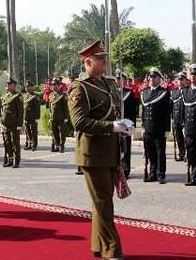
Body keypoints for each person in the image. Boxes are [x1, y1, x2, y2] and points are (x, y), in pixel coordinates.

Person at [68, 40, 127, 260]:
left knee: (101, 202)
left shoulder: (108, 83)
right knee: (103, 203)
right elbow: (79, 122)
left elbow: (113, 112)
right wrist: (110, 126)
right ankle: (112, 250)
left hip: (110, 150)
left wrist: (121, 126)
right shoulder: (79, 88)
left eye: (105, 60)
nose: (105, 64)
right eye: (100, 61)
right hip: (92, 154)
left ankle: (98, 246)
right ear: (87, 62)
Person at [141, 69, 170, 184]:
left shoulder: (163, 92)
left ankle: (160, 174)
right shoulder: (145, 92)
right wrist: (143, 125)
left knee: (160, 152)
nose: (152, 79)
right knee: (150, 152)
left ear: (159, 79)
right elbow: (144, 112)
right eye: (150, 77)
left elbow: (167, 112)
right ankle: (152, 173)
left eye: (154, 77)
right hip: (148, 127)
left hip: (159, 127)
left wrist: (167, 129)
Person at [1, 78, 24, 167]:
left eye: (9, 84)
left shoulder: (18, 96)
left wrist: (19, 124)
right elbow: (2, 110)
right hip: (5, 123)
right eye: (6, 84)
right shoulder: (5, 96)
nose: (7, 86)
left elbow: (20, 111)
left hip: (14, 124)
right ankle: (10, 159)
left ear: (13, 86)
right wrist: (1, 122)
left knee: (15, 143)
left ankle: (16, 161)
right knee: (7, 142)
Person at [120, 72, 138, 178]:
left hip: (126, 124)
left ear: (126, 81)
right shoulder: (112, 93)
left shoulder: (129, 93)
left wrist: (132, 126)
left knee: (126, 148)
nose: (119, 81)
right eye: (117, 79)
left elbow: (133, 112)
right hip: (114, 125)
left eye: (122, 79)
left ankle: (126, 170)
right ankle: (117, 170)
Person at [170, 72, 188, 162]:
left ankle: (187, 153)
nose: (180, 81)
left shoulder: (188, 91)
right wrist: (171, 118)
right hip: (176, 118)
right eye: (179, 79)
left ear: (185, 80)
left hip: (185, 118)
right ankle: (181, 153)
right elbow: (171, 106)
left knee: (186, 138)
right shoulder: (174, 92)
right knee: (178, 137)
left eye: (182, 79)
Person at [49, 78, 69, 153]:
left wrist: (66, 117)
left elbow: (66, 107)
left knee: (62, 133)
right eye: (53, 85)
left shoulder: (63, 95)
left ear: (59, 86)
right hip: (53, 118)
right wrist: (50, 116)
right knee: (54, 132)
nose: (54, 86)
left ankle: (62, 146)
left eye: (56, 85)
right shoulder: (51, 95)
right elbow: (50, 107)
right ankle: (56, 145)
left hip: (61, 117)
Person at [22, 81, 40, 151]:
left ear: (32, 87)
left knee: (34, 131)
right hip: (26, 116)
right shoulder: (24, 96)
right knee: (27, 131)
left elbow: (37, 108)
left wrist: (37, 118)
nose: (27, 88)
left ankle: (34, 145)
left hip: (33, 117)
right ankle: (29, 144)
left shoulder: (34, 97)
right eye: (26, 87)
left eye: (28, 87)